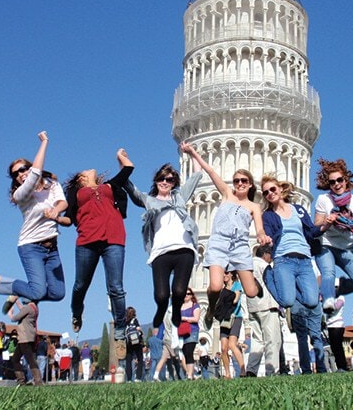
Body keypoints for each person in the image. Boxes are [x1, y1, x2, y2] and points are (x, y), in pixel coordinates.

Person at [0, 132, 67, 314]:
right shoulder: (20, 195)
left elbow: (63, 202)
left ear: (28, 167)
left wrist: (56, 211)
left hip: (52, 248)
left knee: (58, 293)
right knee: (38, 290)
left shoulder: (51, 184)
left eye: (23, 169)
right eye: (15, 173)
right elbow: (36, 173)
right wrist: (44, 142)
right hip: (30, 246)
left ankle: (17, 290)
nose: (21, 174)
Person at [180, 143, 271, 328]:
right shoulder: (226, 194)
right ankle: (212, 309)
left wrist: (262, 236)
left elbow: (259, 228)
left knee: (252, 293)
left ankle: (253, 282)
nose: (240, 183)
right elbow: (210, 170)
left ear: (250, 184)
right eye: (237, 180)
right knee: (214, 287)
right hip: (219, 243)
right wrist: (192, 152)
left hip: (239, 246)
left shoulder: (254, 206)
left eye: (244, 180)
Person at [61, 148, 134, 361]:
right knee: (80, 285)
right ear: (81, 179)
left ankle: (120, 332)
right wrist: (54, 217)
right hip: (87, 240)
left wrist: (120, 157)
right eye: (84, 171)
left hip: (113, 238)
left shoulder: (109, 186)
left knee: (116, 288)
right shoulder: (76, 193)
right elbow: (69, 219)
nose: (88, 169)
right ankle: (77, 312)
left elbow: (129, 168)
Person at [123, 148, 202, 334]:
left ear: (174, 182)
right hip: (161, 251)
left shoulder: (180, 196)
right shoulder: (149, 200)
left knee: (180, 290)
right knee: (161, 294)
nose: (165, 182)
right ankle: (161, 309)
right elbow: (129, 186)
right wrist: (123, 161)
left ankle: (176, 310)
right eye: (162, 179)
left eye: (169, 179)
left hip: (184, 248)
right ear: (156, 181)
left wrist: (192, 152)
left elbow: (197, 173)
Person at [314, 159, 353, 312]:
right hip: (325, 244)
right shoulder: (323, 200)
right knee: (328, 272)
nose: (336, 184)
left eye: (339, 180)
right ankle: (327, 300)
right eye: (332, 182)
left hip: (345, 247)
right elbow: (316, 224)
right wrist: (327, 222)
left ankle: (333, 290)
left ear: (346, 180)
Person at [260, 175, 327, 310]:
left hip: (305, 260)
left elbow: (312, 231)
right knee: (287, 302)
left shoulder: (298, 209)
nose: (270, 193)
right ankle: (268, 275)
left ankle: (289, 285)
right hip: (284, 259)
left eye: (272, 189)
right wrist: (267, 240)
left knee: (312, 302)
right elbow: (269, 234)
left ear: (280, 188)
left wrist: (327, 224)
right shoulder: (268, 215)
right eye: (266, 192)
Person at [245, 244, 282, 377]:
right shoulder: (264, 266)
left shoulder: (247, 266)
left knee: (257, 340)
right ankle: (272, 370)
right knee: (272, 340)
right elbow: (273, 283)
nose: (271, 259)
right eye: (270, 256)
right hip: (267, 306)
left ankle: (251, 369)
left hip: (253, 307)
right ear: (265, 254)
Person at [218, 271, 246, 379]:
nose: (224, 275)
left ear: (231, 275)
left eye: (226, 273)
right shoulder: (222, 288)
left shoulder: (237, 285)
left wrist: (226, 296)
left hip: (235, 317)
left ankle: (243, 370)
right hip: (224, 319)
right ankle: (227, 373)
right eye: (223, 274)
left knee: (232, 345)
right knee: (224, 348)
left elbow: (235, 300)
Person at [8, 300, 42, 385]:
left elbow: (15, 318)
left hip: (24, 337)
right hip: (28, 336)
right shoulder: (34, 307)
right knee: (16, 358)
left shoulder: (27, 308)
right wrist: (16, 301)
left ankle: (37, 381)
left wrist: (10, 314)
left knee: (30, 359)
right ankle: (22, 380)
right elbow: (22, 309)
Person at [291, 298, 327, 375]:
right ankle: (321, 368)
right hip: (314, 302)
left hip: (297, 303)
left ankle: (306, 369)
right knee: (317, 337)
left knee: (302, 339)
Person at [180, 288, 201, 380]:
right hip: (181, 332)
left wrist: (184, 318)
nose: (186, 295)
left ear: (192, 295)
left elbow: (196, 319)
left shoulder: (195, 305)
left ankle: (189, 374)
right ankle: (190, 374)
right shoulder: (179, 306)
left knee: (189, 351)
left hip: (192, 330)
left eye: (188, 294)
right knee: (185, 352)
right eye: (184, 294)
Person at [325, 294, 348, 372]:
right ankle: (340, 367)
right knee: (334, 348)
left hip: (337, 325)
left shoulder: (340, 297)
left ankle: (343, 366)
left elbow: (337, 306)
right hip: (330, 325)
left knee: (338, 347)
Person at [124, 307, 144, 382]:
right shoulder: (134, 320)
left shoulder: (125, 321)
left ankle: (129, 379)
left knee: (128, 360)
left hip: (129, 342)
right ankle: (138, 377)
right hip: (136, 341)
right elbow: (138, 329)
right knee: (140, 359)